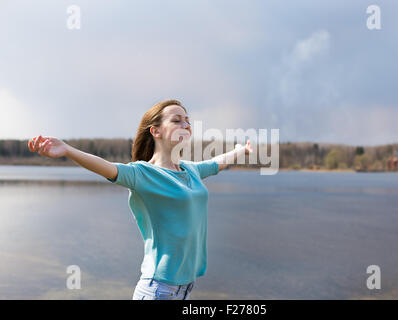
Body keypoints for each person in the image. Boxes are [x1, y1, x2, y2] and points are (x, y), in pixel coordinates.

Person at [28, 99, 253, 300]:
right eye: (177, 120)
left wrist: (241, 150)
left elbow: (217, 163)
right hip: (159, 290)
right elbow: (108, 168)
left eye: (187, 120)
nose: (186, 124)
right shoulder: (143, 174)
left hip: (185, 287)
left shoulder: (190, 170)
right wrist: (67, 150)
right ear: (156, 131)